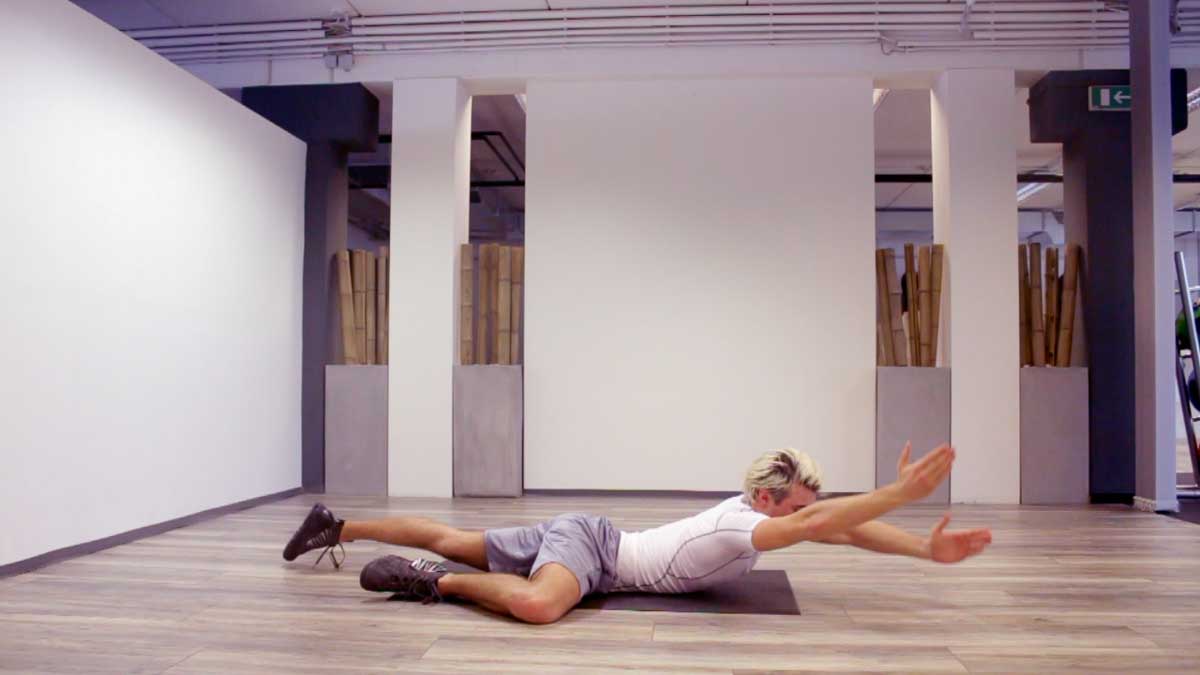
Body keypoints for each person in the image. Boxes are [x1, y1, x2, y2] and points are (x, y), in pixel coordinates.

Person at [282, 443, 991, 624]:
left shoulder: (763, 520)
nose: (811, 514)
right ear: (769, 498)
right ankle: (431, 582)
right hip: (595, 552)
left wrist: (924, 548)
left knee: (455, 533)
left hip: (589, 538)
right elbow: (820, 524)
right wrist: (899, 493)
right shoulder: (745, 523)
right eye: (802, 504)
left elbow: (848, 533)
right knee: (539, 605)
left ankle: (337, 524)